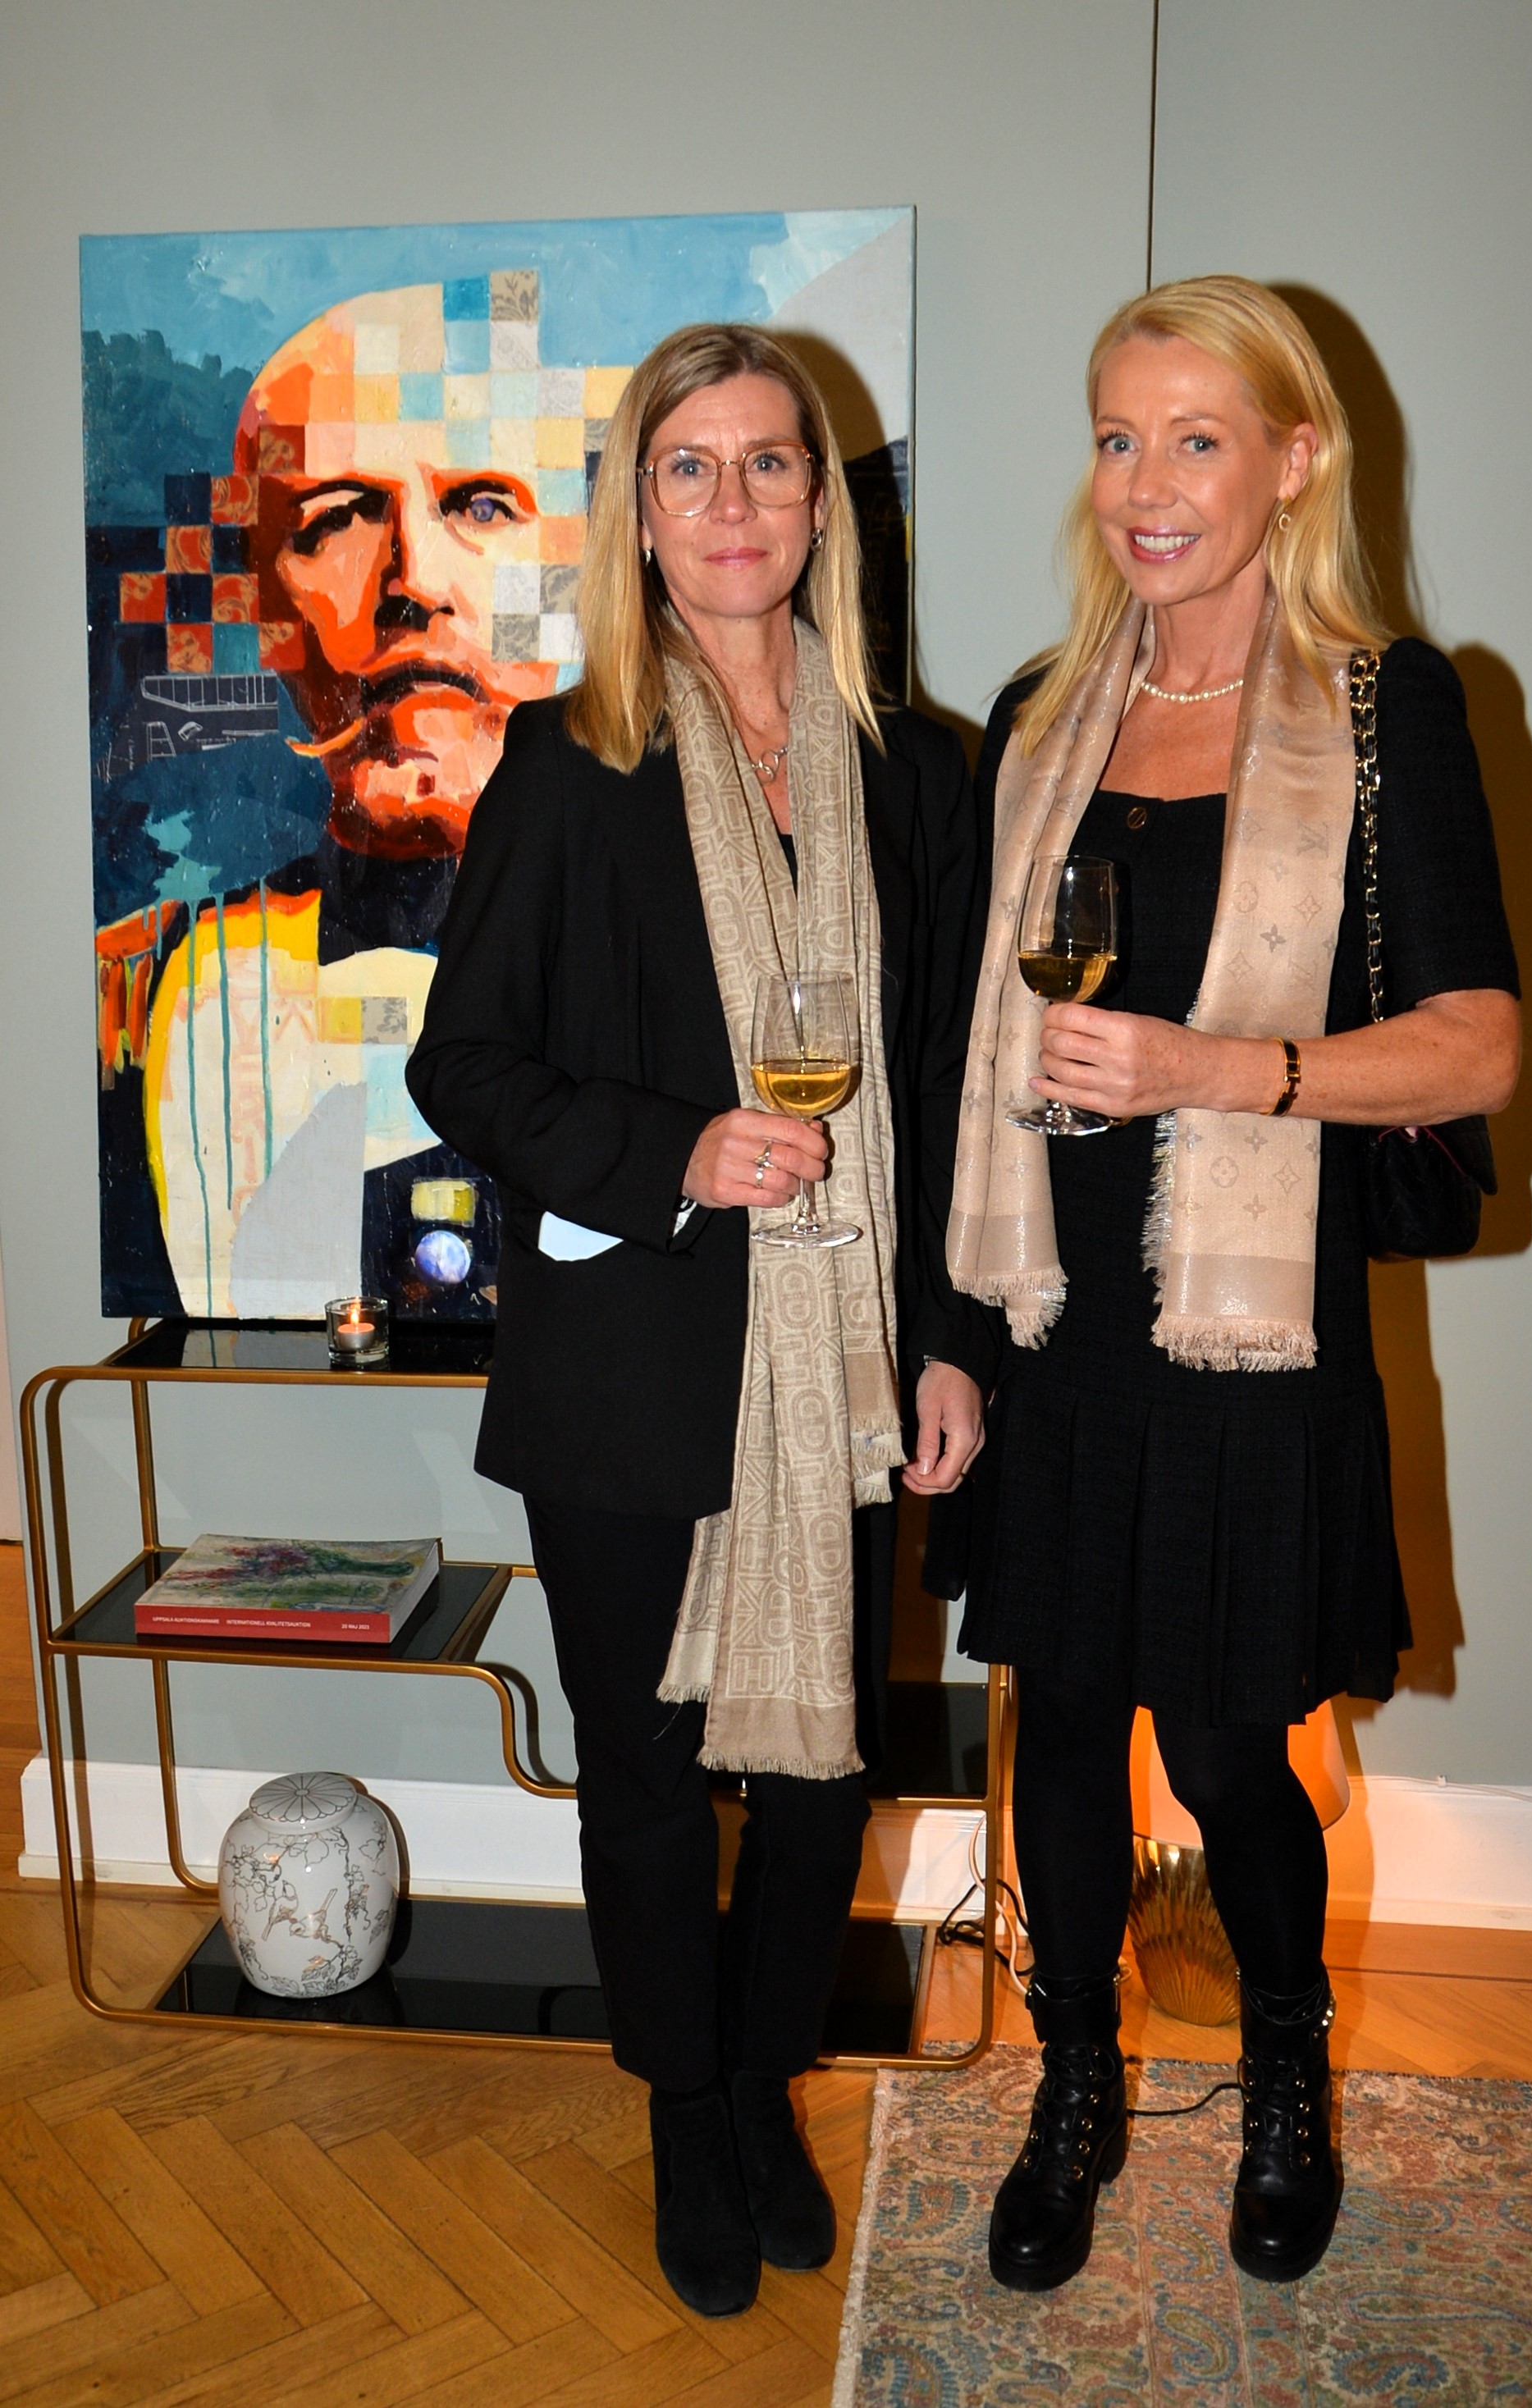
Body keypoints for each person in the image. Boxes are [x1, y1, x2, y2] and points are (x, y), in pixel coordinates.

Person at [406, 322, 994, 2316]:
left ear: (821, 503)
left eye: (768, 463)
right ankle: (682, 2109)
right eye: (689, 467)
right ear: (638, 517)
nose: (732, 502)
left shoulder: (919, 770)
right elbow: (464, 1067)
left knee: (822, 1775)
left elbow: (948, 1076)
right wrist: (675, 1151)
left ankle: (761, 2088)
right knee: (650, 1774)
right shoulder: (567, 765)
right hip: (633, 1364)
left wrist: (947, 1337)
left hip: (844, 1358)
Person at [949, 276, 1519, 2292]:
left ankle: (1285, 2072)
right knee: (1053, 1731)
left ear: (1293, 458)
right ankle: (1071, 2084)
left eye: (1195, 439)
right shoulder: (1040, 714)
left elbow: (1474, 1047)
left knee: (1215, 1748)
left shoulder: (1383, 706)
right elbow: (966, 1055)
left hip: (1247, 1332)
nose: (1145, 484)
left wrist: (1216, 1071)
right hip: (1053, 1320)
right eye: (1117, 438)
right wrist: (950, 1344)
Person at [131, 276, 625, 1318]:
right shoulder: (177, 1004)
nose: (414, 579)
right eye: (336, 521)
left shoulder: (687, 925)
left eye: (482, 506)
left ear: (588, 564)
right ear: (267, 610)